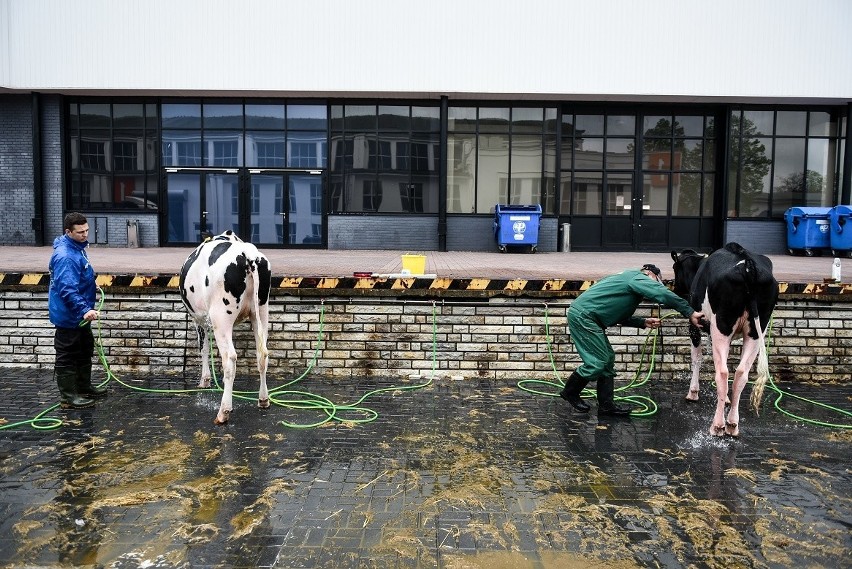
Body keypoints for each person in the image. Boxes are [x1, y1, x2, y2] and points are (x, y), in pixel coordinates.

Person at [561, 264, 704, 417]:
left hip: (590, 318)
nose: (654, 285)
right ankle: (570, 392)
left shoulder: (627, 282)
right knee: (599, 361)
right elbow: (661, 293)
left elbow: (617, 313)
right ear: (649, 273)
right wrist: (689, 312)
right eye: (656, 281)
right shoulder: (637, 277)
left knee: (607, 359)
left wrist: (642, 322)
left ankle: (606, 406)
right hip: (584, 317)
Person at [48, 212, 108, 408]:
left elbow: (78, 275)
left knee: (84, 349)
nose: (85, 235)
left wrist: (90, 280)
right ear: (68, 231)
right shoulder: (66, 256)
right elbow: (66, 288)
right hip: (69, 315)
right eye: (80, 232)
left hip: (80, 313)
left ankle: (84, 387)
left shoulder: (77, 248)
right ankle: (68, 396)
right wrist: (84, 310)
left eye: (87, 230)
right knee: (68, 353)